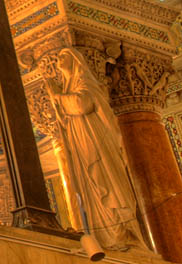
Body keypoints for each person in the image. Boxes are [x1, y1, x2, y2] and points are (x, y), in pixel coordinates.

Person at [48, 48, 147, 250]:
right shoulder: (68, 86)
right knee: (90, 188)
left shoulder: (85, 82)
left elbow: (82, 104)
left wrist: (57, 96)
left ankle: (121, 235)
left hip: (95, 139)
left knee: (107, 182)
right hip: (81, 141)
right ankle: (105, 239)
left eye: (63, 56)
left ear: (76, 61)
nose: (58, 60)